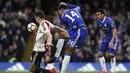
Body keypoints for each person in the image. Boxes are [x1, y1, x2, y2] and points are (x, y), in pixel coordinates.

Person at [48, 2, 88, 73]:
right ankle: (57, 56)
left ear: (62, 10)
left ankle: (58, 59)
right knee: (61, 36)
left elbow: (70, 26)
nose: (59, 14)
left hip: (79, 30)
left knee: (68, 49)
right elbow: (78, 6)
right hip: (81, 30)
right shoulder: (75, 10)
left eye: (59, 12)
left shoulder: (63, 17)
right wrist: (66, 4)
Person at [95, 9, 118, 73]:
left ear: (103, 14)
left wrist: (112, 41)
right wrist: (101, 40)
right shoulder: (99, 22)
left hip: (113, 38)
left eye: (98, 14)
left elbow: (115, 31)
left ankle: (113, 70)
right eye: (96, 15)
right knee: (99, 54)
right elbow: (102, 30)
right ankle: (104, 70)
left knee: (111, 54)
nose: (97, 16)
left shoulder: (109, 21)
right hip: (106, 38)